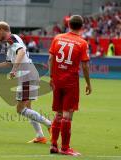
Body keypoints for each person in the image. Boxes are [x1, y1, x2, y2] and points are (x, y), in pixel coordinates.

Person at [0, 21, 51, 143]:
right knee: (28, 107)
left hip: (26, 75)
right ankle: (40, 136)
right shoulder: (10, 44)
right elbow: (9, 62)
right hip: (29, 73)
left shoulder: (11, 39)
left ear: (2, 30)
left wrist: (14, 69)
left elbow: (21, 52)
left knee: (20, 110)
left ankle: (50, 125)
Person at [48, 15, 91, 156]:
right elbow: (84, 65)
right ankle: (65, 148)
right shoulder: (82, 43)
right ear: (82, 26)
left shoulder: (57, 38)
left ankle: (54, 145)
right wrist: (88, 83)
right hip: (70, 82)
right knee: (67, 115)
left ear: (68, 24)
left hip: (57, 80)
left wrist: (51, 77)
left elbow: (50, 58)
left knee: (58, 114)